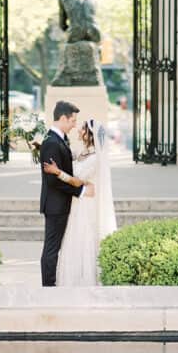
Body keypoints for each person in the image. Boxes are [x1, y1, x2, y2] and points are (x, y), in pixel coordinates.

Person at [42, 117, 117, 286]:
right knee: (72, 238)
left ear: (89, 135)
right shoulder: (83, 152)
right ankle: (71, 278)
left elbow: (77, 180)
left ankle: (83, 280)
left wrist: (57, 172)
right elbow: (65, 155)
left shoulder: (95, 158)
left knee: (83, 237)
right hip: (77, 202)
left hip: (85, 204)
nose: (79, 130)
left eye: (82, 128)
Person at [40, 101, 95, 287]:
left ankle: (52, 283)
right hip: (55, 205)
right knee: (52, 248)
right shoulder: (51, 142)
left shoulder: (59, 139)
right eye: (72, 120)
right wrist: (80, 190)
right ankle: (48, 286)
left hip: (61, 203)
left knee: (55, 247)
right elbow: (53, 181)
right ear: (63, 118)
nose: (74, 125)